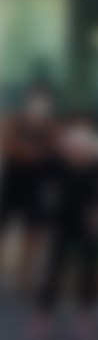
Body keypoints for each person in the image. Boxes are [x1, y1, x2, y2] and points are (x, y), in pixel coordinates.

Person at [29, 114, 98, 340]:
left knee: (88, 272)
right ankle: (42, 318)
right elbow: (42, 192)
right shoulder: (56, 164)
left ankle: (85, 318)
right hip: (63, 224)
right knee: (54, 271)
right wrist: (47, 219)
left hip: (88, 227)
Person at [0, 86, 57, 297]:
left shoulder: (50, 126)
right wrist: (30, 152)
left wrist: (29, 151)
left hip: (36, 187)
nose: (39, 105)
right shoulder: (14, 120)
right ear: (27, 101)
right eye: (35, 100)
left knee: (32, 235)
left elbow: (53, 148)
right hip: (12, 182)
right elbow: (6, 145)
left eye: (43, 102)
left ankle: (24, 279)